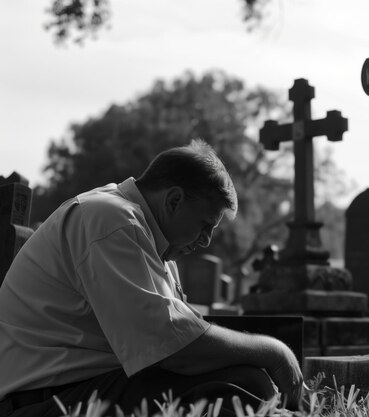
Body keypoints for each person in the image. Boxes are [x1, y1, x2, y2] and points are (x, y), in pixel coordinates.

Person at [0, 139, 303, 416]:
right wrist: (273, 352)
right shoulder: (110, 219)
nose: (207, 240)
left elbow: (185, 337)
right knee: (239, 386)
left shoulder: (150, 239)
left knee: (245, 380)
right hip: (42, 401)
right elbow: (174, 351)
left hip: (79, 388)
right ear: (173, 200)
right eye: (205, 224)